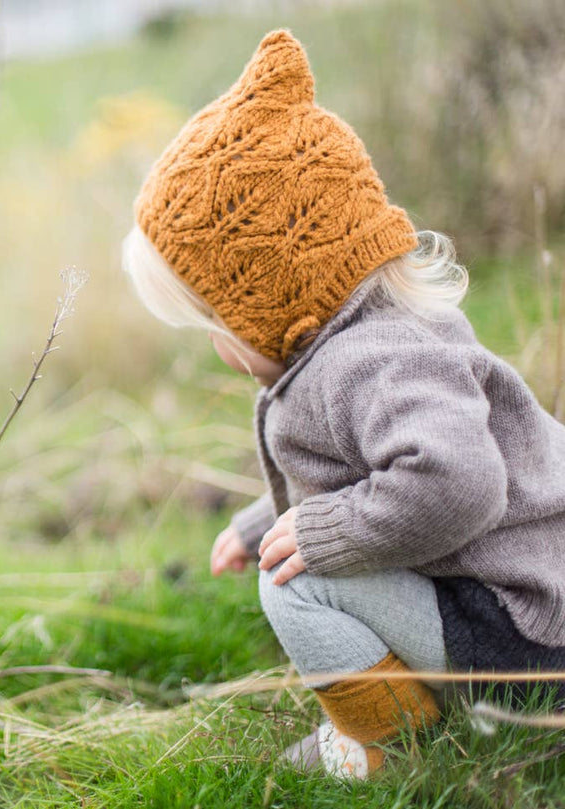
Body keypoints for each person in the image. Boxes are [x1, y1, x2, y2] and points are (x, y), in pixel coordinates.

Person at [121, 29, 565, 779]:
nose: (220, 351)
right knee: (294, 547)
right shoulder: (366, 336)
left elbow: (460, 481)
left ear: (270, 295)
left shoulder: (370, 363)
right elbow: (363, 471)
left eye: (218, 327)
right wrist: (261, 520)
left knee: (295, 577)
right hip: (527, 593)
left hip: (526, 634)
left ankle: (388, 743)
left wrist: (319, 533)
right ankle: (407, 708)